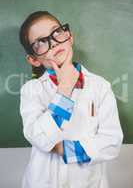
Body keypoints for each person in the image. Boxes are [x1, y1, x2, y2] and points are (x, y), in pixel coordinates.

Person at [19, 11, 123, 188]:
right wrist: (64, 90)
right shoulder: (31, 90)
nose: (53, 43)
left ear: (69, 37)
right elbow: (39, 137)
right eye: (41, 42)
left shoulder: (101, 86)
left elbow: (112, 142)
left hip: (89, 182)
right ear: (33, 60)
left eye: (57, 32)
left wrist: (64, 149)